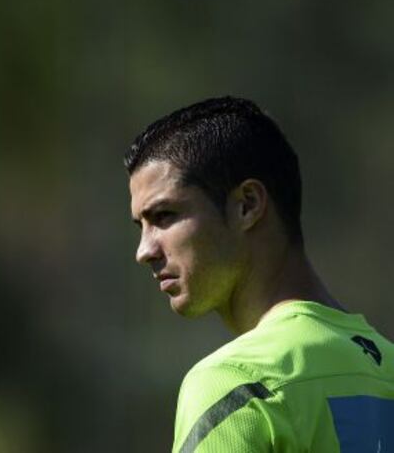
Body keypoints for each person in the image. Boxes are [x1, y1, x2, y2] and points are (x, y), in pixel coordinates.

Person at [124, 96, 394, 452]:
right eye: (140, 226)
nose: (144, 251)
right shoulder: (386, 367)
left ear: (247, 205)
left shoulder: (236, 384)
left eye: (164, 216)